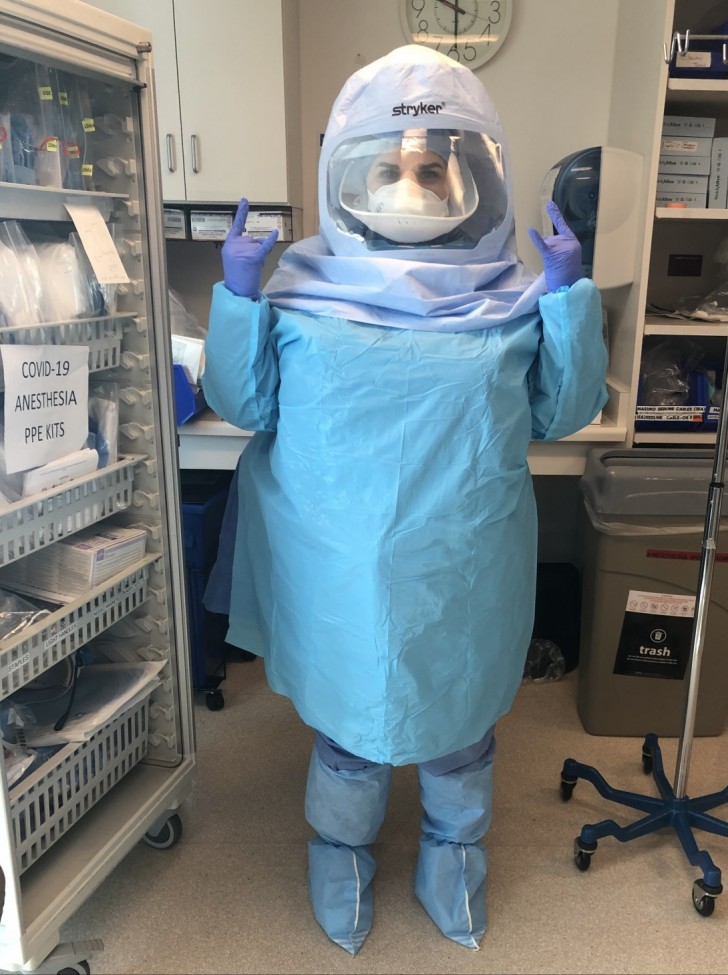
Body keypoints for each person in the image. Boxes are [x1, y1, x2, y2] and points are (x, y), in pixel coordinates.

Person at [201, 44, 607, 955]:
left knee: (459, 726)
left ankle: (451, 854)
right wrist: (238, 297)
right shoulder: (302, 291)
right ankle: (339, 850)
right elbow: (245, 402)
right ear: (346, 175)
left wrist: (568, 298)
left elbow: (565, 409)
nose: (411, 187)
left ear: (473, 174)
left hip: (461, 564)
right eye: (388, 167)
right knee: (352, 726)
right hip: (338, 568)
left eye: (432, 168)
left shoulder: (512, 296)